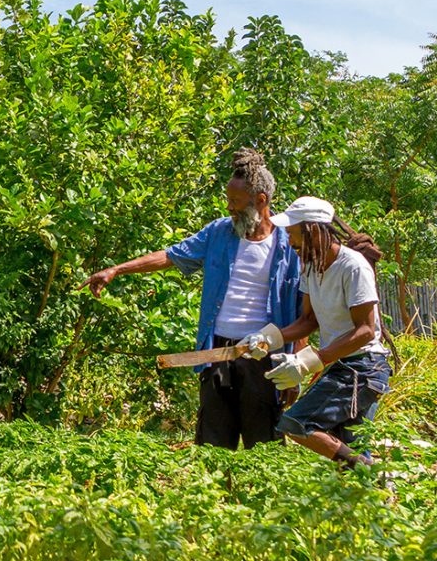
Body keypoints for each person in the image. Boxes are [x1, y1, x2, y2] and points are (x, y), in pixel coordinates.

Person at [79, 149, 301, 449]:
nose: (229, 208)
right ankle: (213, 495)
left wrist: (296, 367)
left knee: (264, 444)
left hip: (264, 357)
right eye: (228, 201)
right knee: (212, 443)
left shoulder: (290, 244)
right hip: (217, 352)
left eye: (235, 202)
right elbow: (171, 256)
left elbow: (303, 312)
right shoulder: (219, 232)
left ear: (261, 201)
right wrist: (117, 270)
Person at [239, 196, 391, 468]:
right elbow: (308, 321)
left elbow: (367, 330)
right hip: (344, 364)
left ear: (312, 230)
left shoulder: (352, 266)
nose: (291, 242)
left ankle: (371, 472)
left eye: (294, 234)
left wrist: (309, 361)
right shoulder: (311, 266)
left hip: (364, 367)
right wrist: (268, 337)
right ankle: (374, 496)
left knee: (296, 423)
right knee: (350, 446)